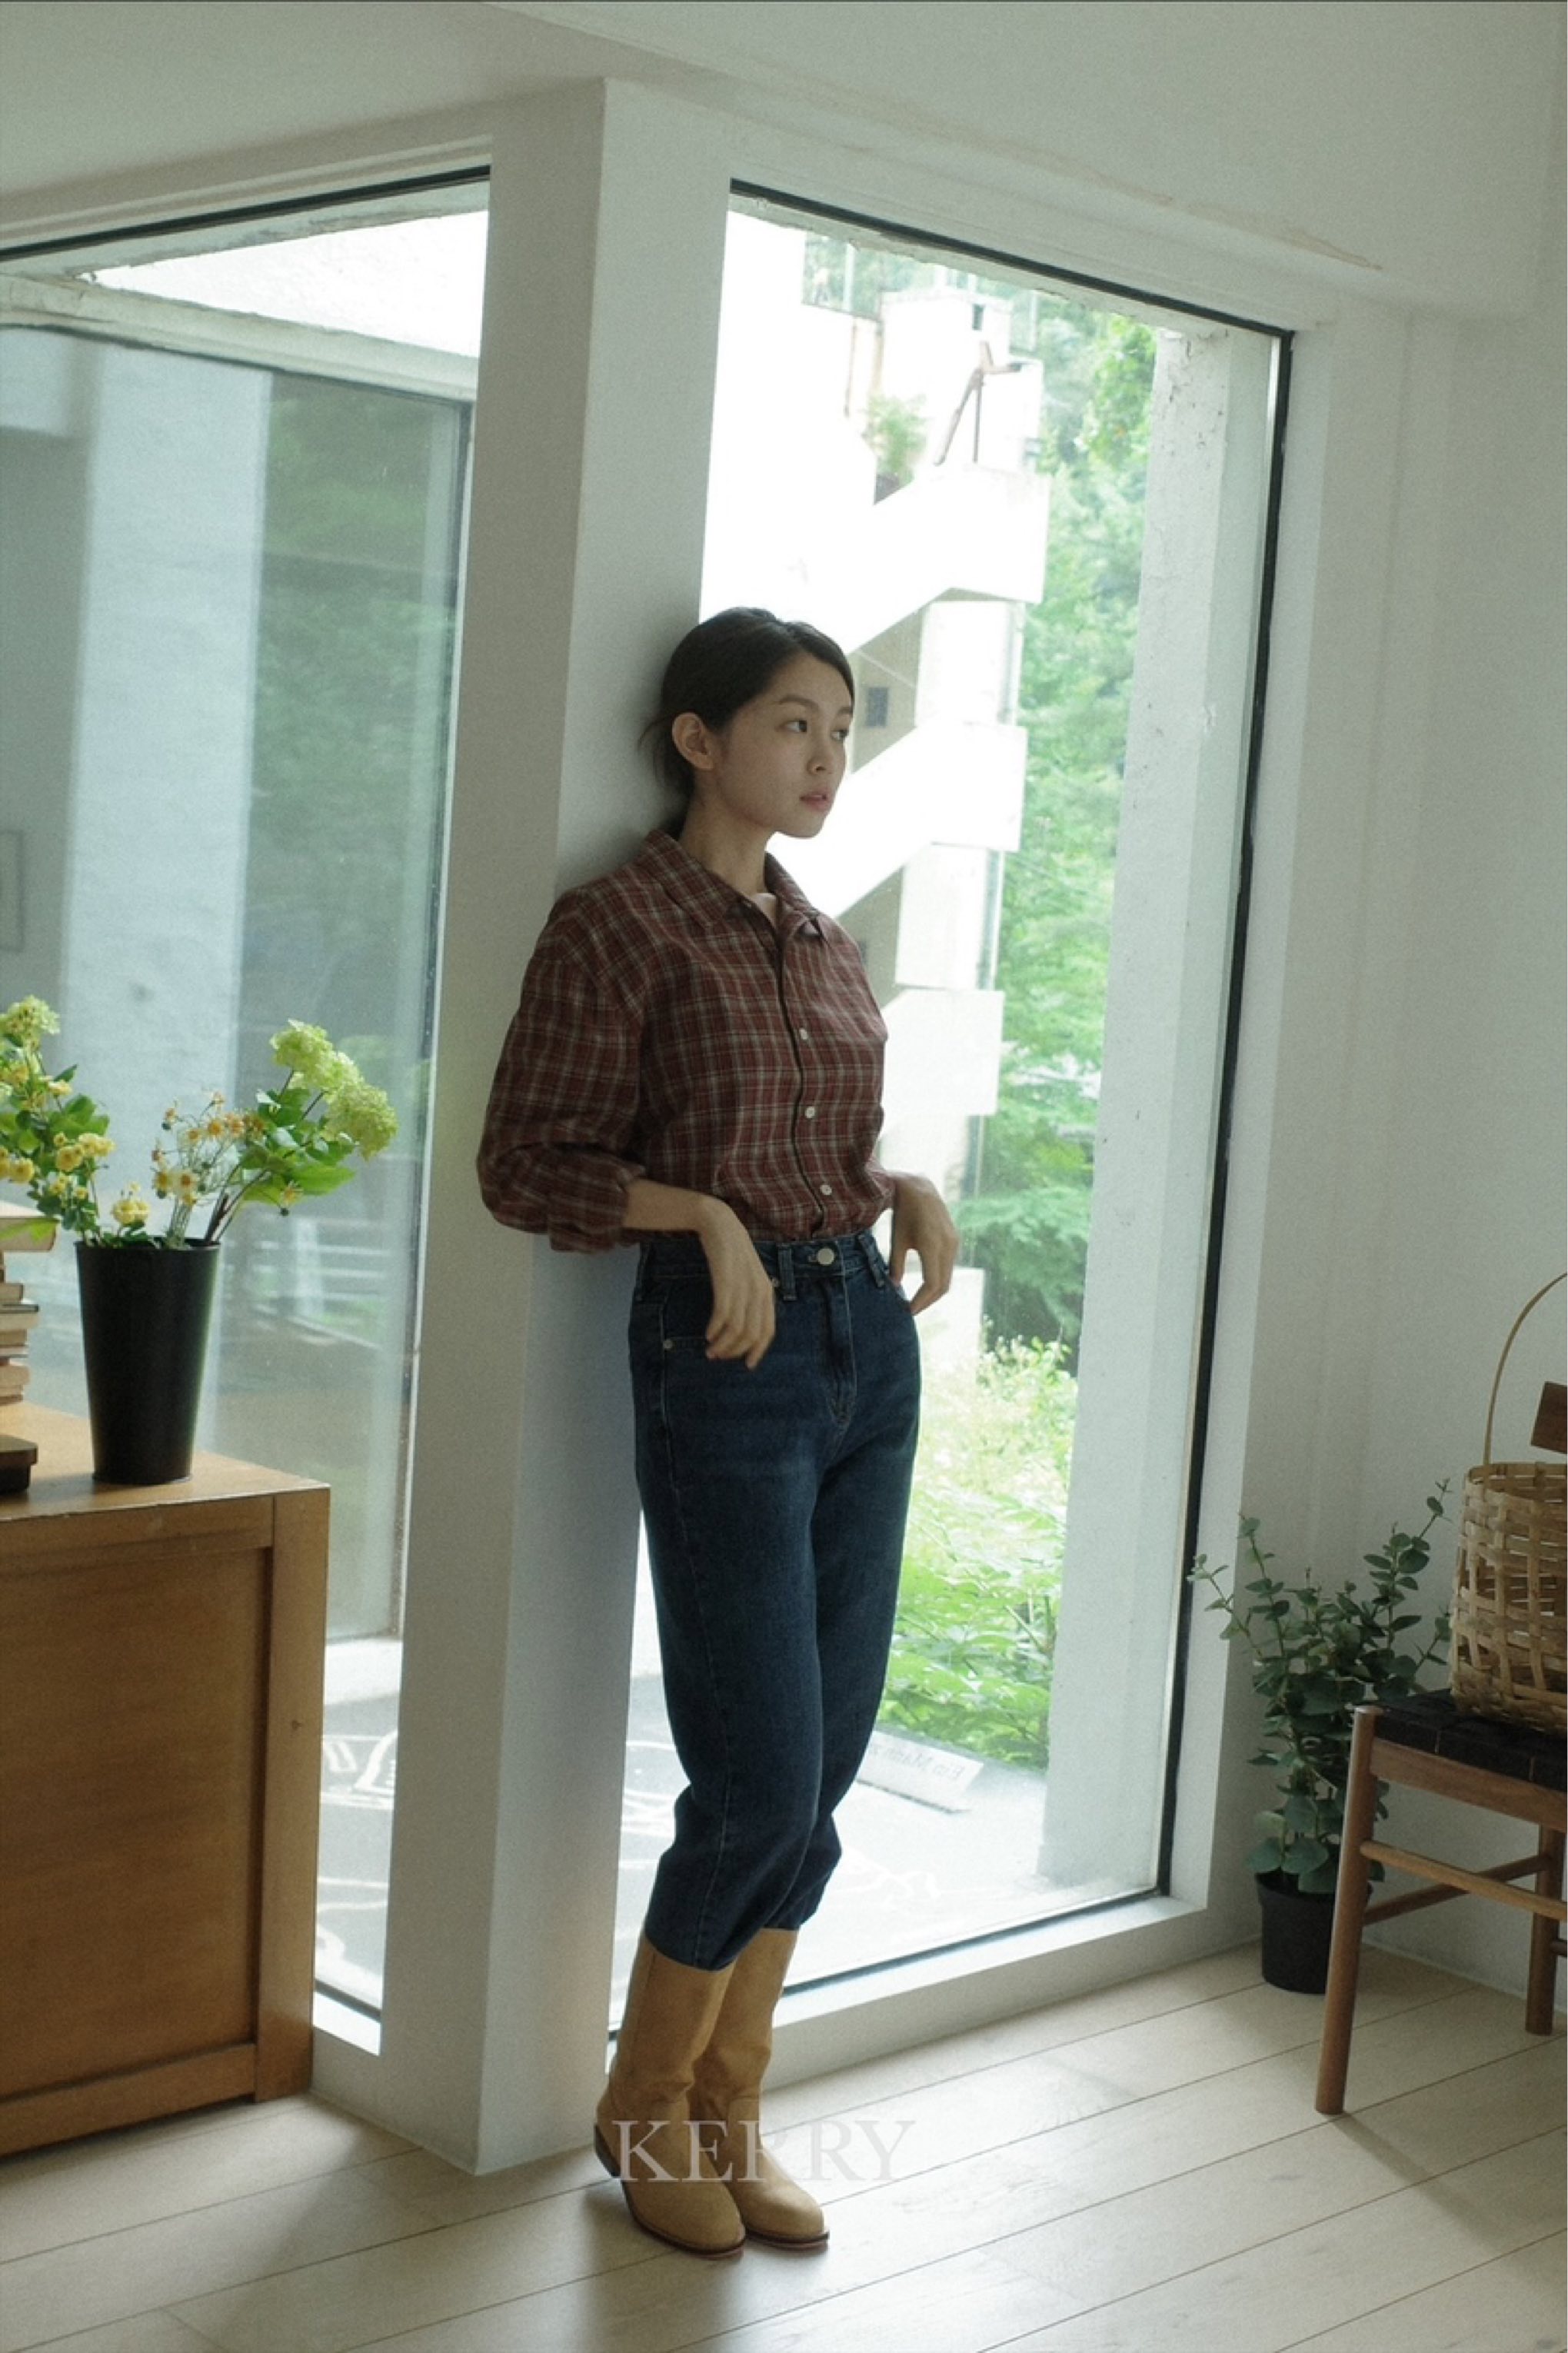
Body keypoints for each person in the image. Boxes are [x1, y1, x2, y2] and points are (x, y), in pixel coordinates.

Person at [477, 606, 958, 2260]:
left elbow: (815, 1142)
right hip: (728, 1355)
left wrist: (900, 1185)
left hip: (862, 1344)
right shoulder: (619, 927)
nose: (827, 757)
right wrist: (697, 1215)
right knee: (757, 1777)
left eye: (842, 729)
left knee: (822, 1776)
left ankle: (728, 2108)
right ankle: (644, 2107)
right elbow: (525, 1165)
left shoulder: (820, 939)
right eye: (794, 724)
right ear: (700, 739)